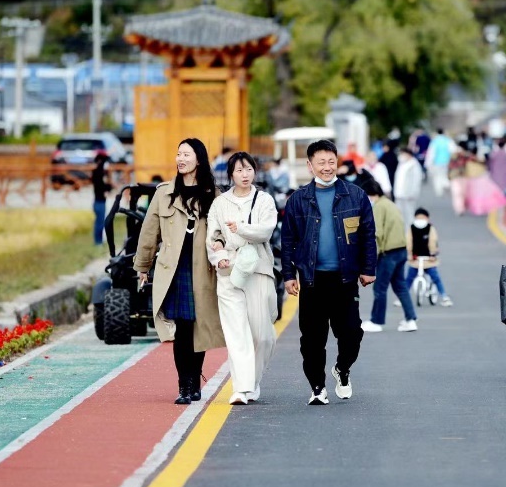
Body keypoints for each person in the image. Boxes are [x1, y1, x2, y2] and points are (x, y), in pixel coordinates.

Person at [280, 140, 377, 404]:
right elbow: (287, 240)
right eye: (321, 162)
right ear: (310, 166)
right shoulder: (299, 200)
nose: (327, 167)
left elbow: (368, 235)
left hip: (345, 279)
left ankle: (342, 370)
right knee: (312, 338)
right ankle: (317, 387)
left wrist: (368, 269)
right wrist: (289, 275)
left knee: (351, 333)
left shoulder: (355, 195)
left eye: (331, 161)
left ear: (338, 162)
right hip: (312, 281)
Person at [134, 138, 225, 405]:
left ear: (199, 159)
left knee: (199, 327)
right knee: (183, 330)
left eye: (186, 154)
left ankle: (194, 382)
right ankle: (185, 385)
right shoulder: (164, 193)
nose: (181, 159)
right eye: (178, 154)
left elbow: (221, 231)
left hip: (203, 270)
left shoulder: (214, 195)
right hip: (173, 270)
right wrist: (143, 266)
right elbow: (149, 232)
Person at [206, 152, 279, 405]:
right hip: (229, 272)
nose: (244, 175)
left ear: (254, 171)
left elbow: (266, 230)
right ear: (231, 174)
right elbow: (213, 236)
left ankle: (253, 381)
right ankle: (241, 388)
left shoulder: (264, 200)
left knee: (263, 334)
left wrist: (240, 228)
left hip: (257, 268)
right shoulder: (220, 203)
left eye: (248, 169)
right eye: (239, 170)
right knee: (237, 331)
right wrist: (219, 257)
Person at [359, 178, 419, 333]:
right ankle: (410, 319)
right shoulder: (391, 204)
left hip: (388, 253)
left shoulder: (378, 207)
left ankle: (376, 321)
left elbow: (376, 234)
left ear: (370, 194)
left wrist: (370, 259)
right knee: (401, 287)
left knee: (380, 288)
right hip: (401, 250)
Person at [405, 207, 452, 306]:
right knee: (409, 278)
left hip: (428, 260)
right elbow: (408, 242)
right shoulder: (411, 228)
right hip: (415, 259)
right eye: (418, 217)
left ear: (427, 218)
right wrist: (409, 254)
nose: (421, 220)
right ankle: (402, 298)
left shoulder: (430, 228)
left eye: (423, 217)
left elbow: (433, 242)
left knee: (436, 278)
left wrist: (432, 254)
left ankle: (444, 297)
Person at [393, 148, 423, 223]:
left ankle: (410, 231)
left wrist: (413, 193)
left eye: (403, 154)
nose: (401, 156)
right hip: (399, 194)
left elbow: (416, 181)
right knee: (399, 214)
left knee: (409, 214)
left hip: (409, 194)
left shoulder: (414, 165)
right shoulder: (401, 164)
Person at [425, 128, 456, 197]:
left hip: (437, 162)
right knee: (445, 175)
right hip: (447, 161)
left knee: (437, 176)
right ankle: (446, 184)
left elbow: (431, 153)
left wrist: (428, 163)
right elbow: (453, 150)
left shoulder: (435, 141)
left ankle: (439, 191)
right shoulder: (448, 140)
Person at [91, 151, 112, 245]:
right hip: (99, 201)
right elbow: (103, 186)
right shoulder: (100, 174)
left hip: (98, 201)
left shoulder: (97, 173)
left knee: (99, 222)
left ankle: (99, 241)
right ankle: (98, 242)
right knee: (99, 223)